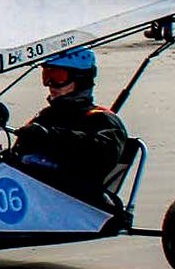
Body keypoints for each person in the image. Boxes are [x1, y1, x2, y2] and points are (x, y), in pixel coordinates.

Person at [11, 47, 128, 201]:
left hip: (73, 201)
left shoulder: (102, 119)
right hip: (29, 194)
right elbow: (16, 155)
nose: (50, 84)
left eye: (58, 77)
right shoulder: (46, 116)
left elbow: (104, 153)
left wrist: (49, 136)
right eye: (47, 75)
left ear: (80, 79)